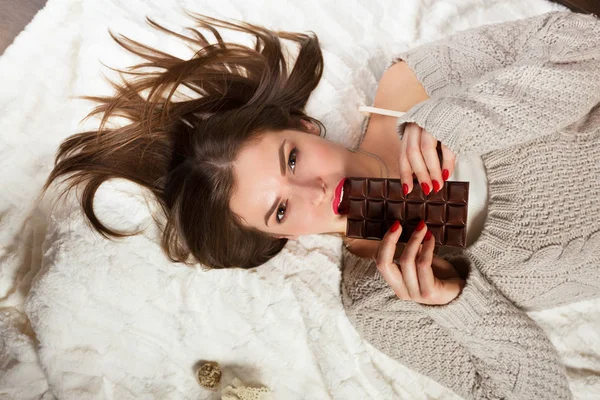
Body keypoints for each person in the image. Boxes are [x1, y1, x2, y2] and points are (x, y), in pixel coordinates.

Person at [43, 10, 600, 399]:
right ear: (280, 239)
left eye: (291, 159)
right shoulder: (382, 304)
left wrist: (464, 117)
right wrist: (459, 299)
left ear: (305, 126)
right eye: (281, 212)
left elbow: (590, 41)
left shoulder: (410, 86)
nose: (313, 192)